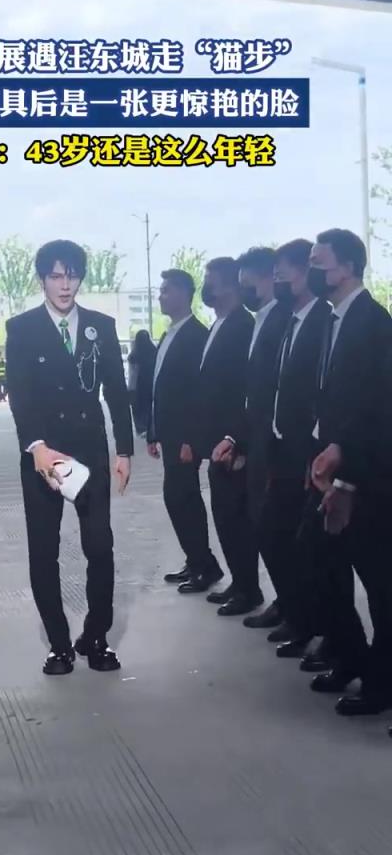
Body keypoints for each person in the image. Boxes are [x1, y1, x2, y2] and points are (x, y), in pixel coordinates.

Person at [5, 239, 133, 677]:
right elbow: (20, 395)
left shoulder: (101, 326)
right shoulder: (21, 329)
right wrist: (37, 446)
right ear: (42, 279)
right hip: (44, 454)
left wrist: (124, 450)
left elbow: (117, 393)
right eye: (56, 276)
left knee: (100, 546)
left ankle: (96, 636)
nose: (65, 285)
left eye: (72, 275)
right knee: (44, 552)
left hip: (89, 450)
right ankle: (59, 645)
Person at [306, 228, 392, 716]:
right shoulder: (334, 320)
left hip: (369, 479)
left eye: (320, 264)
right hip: (331, 469)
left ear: (349, 268)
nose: (313, 272)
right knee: (321, 563)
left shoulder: (373, 323)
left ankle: (382, 684)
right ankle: (352, 657)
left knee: (381, 586)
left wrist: (346, 479)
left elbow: (376, 412)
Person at [256, 239, 332, 656]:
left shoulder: (324, 320)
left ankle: (321, 628)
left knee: (312, 549)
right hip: (283, 449)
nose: (278, 281)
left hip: (311, 454)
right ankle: (300, 616)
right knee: (273, 534)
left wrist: (314, 454)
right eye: (276, 275)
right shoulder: (292, 320)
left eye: (284, 273)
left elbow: (322, 394)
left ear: (307, 272)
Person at [212, 247, 291, 617]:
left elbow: (275, 391)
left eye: (248, 283)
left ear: (269, 278)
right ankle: (288, 605)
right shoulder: (262, 319)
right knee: (264, 527)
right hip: (253, 439)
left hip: (275, 445)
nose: (244, 290)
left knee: (275, 531)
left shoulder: (280, 320)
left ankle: (295, 608)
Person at [148, 269, 223, 594]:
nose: (161, 296)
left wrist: (192, 439)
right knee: (177, 499)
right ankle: (196, 561)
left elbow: (199, 394)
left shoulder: (195, 336)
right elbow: (160, 387)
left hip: (184, 438)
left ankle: (205, 566)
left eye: (166, 290)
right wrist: (153, 431)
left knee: (183, 498)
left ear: (182, 294)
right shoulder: (170, 334)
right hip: (168, 433)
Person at [195, 258, 260, 612]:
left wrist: (238, 439)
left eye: (211, 280)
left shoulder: (242, 326)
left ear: (230, 285)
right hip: (217, 443)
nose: (206, 286)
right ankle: (240, 582)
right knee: (225, 518)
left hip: (232, 444)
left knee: (237, 520)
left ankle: (249, 589)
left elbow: (244, 390)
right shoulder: (219, 324)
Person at [127, 329, 156, 436]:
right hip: (151, 385)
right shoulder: (154, 352)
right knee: (149, 407)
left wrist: (130, 389)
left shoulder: (134, 355)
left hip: (139, 386)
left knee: (138, 407)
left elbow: (132, 374)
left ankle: (141, 428)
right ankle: (150, 427)